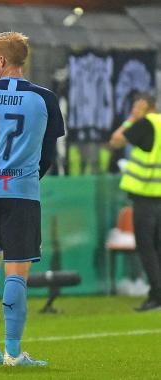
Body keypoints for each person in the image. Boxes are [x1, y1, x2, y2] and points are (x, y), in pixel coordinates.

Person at [0, 32, 64, 366]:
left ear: (2, 60)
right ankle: (14, 353)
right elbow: (48, 154)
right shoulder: (45, 99)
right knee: (17, 270)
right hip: (21, 192)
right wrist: (25, 177)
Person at [110, 93, 161, 312]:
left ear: (145, 107)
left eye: (137, 107)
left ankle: (156, 295)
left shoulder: (145, 124)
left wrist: (131, 119)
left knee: (147, 247)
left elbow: (116, 140)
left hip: (146, 196)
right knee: (158, 247)